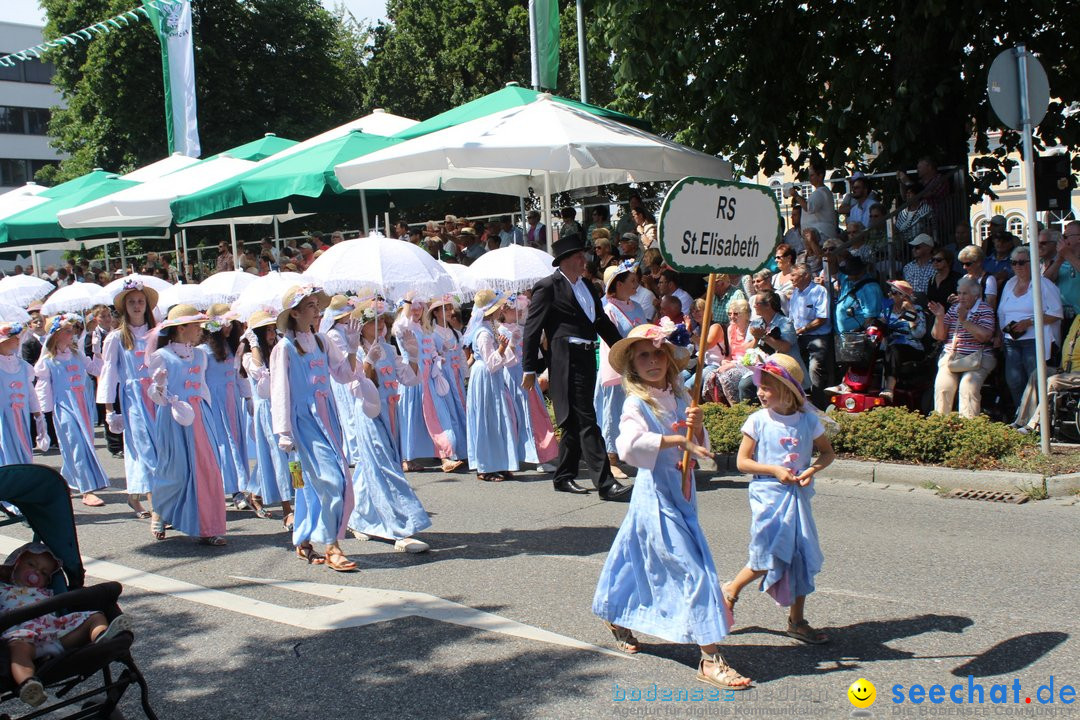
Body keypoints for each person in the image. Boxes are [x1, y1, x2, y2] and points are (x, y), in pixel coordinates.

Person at [591, 323, 751, 691]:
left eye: (658, 353)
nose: (652, 361)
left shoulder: (682, 399)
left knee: (633, 556)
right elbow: (629, 446)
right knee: (693, 572)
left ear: (669, 358)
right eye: (643, 355)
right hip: (656, 495)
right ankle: (711, 659)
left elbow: (702, 449)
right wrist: (677, 438)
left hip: (684, 493)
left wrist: (697, 427)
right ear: (632, 364)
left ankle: (614, 612)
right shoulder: (636, 402)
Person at [726, 353, 835, 645]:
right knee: (768, 553)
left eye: (767, 386)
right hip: (768, 495)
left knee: (799, 555)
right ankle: (731, 590)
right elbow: (742, 462)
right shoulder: (758, 421)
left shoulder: (809, 422)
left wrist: (812, 469)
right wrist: (774, 470)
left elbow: (827, 453)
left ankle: (796, 621)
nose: (760, 391)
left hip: (797, 496)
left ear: (787, 390)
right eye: (760, 385)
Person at [522, 233, 630, 501]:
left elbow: (601, 323)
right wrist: (529, 369)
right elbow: (532, 330)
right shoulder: (548, 286)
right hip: (565, 359)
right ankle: (605, 483)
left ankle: (563, 476)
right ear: (567, 260)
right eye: (579, 255)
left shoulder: (588, 287)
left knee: (572, 420)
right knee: (587, 419)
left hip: (585, 356)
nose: (585, 259)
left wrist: (625, 350)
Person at [271, 285, 365, 572]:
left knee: (311, 485)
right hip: (304, 422)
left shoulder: (323, 342)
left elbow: (345, 375)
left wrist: (351, 348)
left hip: (328, 418)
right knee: (331, 480)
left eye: (316, 304)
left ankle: (303, 539)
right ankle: (332, 545)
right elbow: (280, 390)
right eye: (310, 305)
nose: (316, 309)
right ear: (295, 313)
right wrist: (284, 431)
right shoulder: (284, 348)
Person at [1, 542, 131, 708]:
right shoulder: (3, 589)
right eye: (31, 564)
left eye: (43, 573)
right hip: (22, 636)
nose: (36, 573)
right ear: (15, 565)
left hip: (55, 633)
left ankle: (103, 636)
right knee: (18, 651)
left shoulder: (47, 592)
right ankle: (28, 684)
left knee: (95, 616)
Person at [347, 299, 430, 554]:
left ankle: (358, 518)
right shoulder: (357, 352)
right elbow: (358, 386)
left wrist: (412, 354)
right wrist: (367, 363)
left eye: (383, 320)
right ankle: (402, 528)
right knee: (385, 466)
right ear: (362, 326)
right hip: (369, 413)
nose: (381, 325)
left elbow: (409, 378)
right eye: (375, 320)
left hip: (391, 412)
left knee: (369, 466)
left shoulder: (388, 348)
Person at [144, 305, 227, 546]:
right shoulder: (162, 356)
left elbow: (201, 386)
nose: (200, 330)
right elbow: (156, 396)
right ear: (182, 328)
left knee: (208, 470)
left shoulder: (200, 355)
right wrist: (158, 386)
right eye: (196, 325)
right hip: (173, 419)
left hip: (200, 416)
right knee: (175, 471)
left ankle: (208, 527)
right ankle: (160, 509)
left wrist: (208, 414)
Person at [97, 280, 159, 519]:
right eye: (131, 302)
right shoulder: (116, 338)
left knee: (157, 449)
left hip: (157, 397)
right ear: (124, 307)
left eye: (140, 301)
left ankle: (135, 495)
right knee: (145, 449)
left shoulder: (157, 333)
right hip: (134, 400)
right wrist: (110, 410)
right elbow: (109, 373)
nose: (136, 305)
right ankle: (158, 510)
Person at [33, 314, 109, 507]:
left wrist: (97, 351)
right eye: (67, 330)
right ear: (56, 335)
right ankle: (86, 490)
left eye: (72, 330)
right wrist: (42, 416)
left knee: (82, 446)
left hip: (83, 406)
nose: (72, 333)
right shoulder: (48, 361)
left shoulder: (76, 354)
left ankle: (65, 481)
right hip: (64, 407)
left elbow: (95, 369)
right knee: (75, 445)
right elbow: (43, 387)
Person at [393, 298, 468, 474]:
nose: (417, 311)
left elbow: (432, 350)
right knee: (410, 418)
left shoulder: (425, 329)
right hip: (412, 377)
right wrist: (408, 301)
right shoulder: (403, 327)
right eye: (413, 307)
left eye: (420, 307)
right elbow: (401, 327)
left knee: (438, 416)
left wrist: (437, 358)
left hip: (429, 379)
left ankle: (445, 455)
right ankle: (407, 458)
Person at [463, 290, 527, 483]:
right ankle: (485, 466)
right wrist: (502, 348)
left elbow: (501, 362)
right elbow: (491, 362)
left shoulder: (489, 327)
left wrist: (511, 346)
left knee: (499, 417)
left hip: (493, 377)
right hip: (485, 376)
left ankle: (500, 462)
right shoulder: (482, 333)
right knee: (487, 418)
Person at [238, 310, 293, 531]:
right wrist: (254, 344)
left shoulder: (278, 350)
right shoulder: (249, 355)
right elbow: (259, 373)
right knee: (279, 458)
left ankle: (255, 492)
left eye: (273, 329)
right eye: (267, 330)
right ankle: (288, 509)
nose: (272, 334)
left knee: (282, 458)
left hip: (284, 405)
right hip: (267, 411)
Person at [594, 262, 649, 480]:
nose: (637, 284)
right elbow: (611, 342)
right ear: (618, 284)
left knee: (633, 412)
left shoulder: (637, 307)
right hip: (616, 366)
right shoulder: (608, 309)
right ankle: (611, 458)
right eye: (632, 280)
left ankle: (629, 452)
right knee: (612, 411)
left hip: (636, 366)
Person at [199, 304, 254, 513]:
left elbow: (238, 376)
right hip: (213, 404)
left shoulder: (232, 348)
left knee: (235, 444)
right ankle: (222, 488)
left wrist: (248, 398)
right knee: (221, 446)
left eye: (232, 323)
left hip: (231, 402)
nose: (229, 328)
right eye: (225, 324)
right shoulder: (203, 351)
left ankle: (238, 488)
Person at [997, 247, 1062, 408]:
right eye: (1013, 263)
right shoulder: (1009, 284)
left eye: (1021, 262)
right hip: (1010, 341)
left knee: (1034, 383)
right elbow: (1001, 312)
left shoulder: (1044, 284)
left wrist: (1030, 322)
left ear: (1032, 263)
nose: (1017, 266)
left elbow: (1056, 314)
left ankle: (1037, 420)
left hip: (1035, 341)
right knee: (1014, 381)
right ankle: (1021, 417)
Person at [929, 277, 996, 418]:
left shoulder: (985, 309)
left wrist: (965, 321)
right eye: (959, 293)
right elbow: (939, 336)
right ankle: (939, 427)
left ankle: (968, 429)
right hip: (952, 357)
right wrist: (939, 317)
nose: (961, 297)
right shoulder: (954, 309)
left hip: (978, 358)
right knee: (943, 387)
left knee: (968, 387)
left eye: (965, 293)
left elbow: (985, 336)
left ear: (976, 294)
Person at [1011, 314, 1080, 434]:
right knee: (1038, 373)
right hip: (1066, 370)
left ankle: (1035, 425)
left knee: (1053, 380)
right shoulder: (1077, 318)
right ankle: (1021, 421)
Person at [0, 322, 47, 465]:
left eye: (16, 337)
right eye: (13, 338)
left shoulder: (23, 366)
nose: (17, 340)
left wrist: (39, 416)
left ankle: (23, 480)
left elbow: (31, 394)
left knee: (24, 448)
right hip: (3, 418)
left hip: (21, 415)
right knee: (6, 448)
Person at [789, 265, 832, 408]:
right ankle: (800, 403)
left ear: (806, 276)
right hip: (799, 337)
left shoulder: (819, 291)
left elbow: (822, 318)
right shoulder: (795, 293)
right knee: (794, 367)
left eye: (794, 275)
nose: (791, 278)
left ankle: (819, 407)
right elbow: (791, 318)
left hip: (817, 337)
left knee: (814, 368)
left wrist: (803, 329)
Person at [879, 281, 926, 401]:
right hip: (889, 345)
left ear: (904, 296)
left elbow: (919, 334)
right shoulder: (887, 310)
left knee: (895, 349)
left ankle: (889, 389)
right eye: (889, 292)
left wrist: (911, 314)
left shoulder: (917, 310)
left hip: (912, 347)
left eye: (894, 292)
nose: (890, 294)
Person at [712, 298, 753, 405]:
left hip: (748, 365)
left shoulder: (752, 329)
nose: (731, 316)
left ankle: (736, 407)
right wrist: (725, 361)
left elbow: (751, 357)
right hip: (733, 363)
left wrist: (732, 365)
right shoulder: (731, 328)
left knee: (726, 377)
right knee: (711, 377)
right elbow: (729, 355)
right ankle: (721, 408)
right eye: (729, 313)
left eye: (736, 314)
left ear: (746, 315)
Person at [791, 157, 838, 242]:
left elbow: (809, 208)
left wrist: (796, 196)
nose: (810, 178)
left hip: (821, 235)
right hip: (818, 235)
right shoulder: (823, 192)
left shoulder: (820, 192)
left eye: (812, 175)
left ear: (820, 176)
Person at [1045, 221, 1080, 330]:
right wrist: (1059, 260)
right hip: (1062, 317)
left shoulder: (1067, 255)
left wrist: (1067, 254)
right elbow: (1045, 281)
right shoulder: (1062, 258)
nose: (1062, 240)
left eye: (1066, 236)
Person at [926, 248, 961, 316]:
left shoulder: (958, 278)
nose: (935, 262)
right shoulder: (932, 279)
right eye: (933, 260)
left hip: (953, 317)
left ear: (948, 261)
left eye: (939, 260)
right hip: (935, 317)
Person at [771, 244, 797, 314]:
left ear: (789, 258)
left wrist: (784, 296)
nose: (776, 260)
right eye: (775, 257)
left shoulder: (798, 276)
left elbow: (804, 297)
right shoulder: (774, 278)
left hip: (793, 315)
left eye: (779, 257)